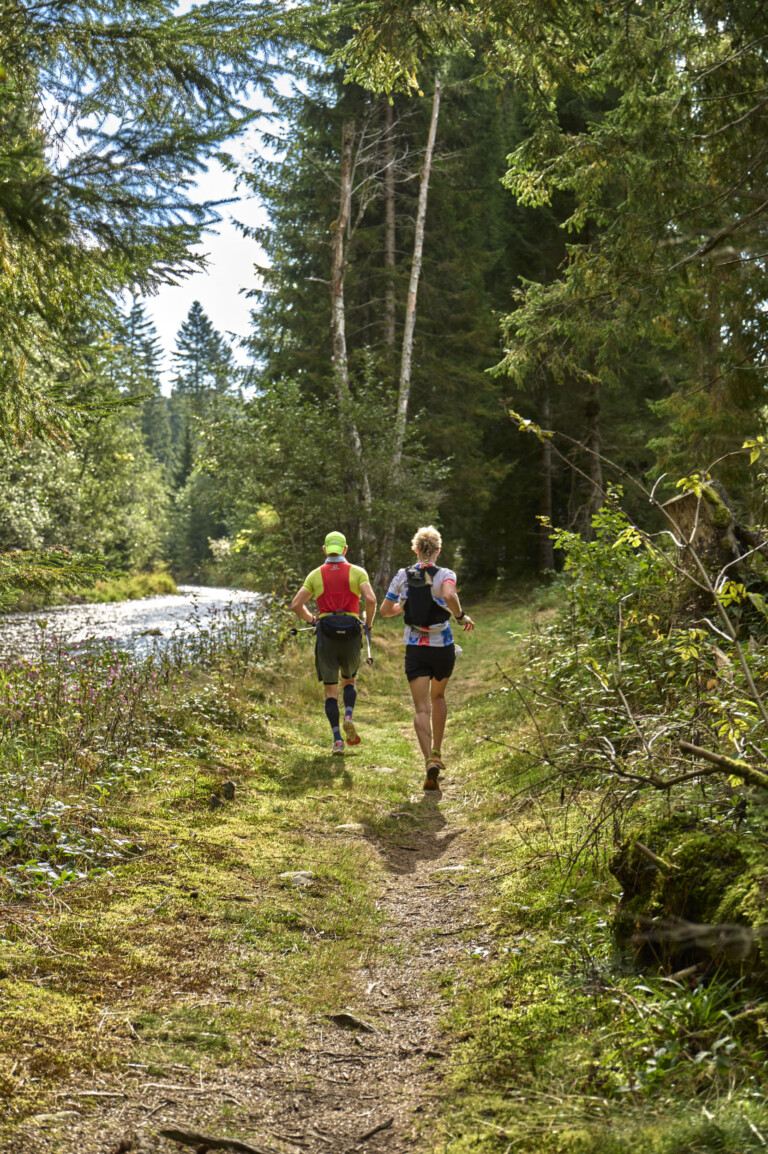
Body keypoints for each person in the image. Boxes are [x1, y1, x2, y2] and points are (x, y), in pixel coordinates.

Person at [380, 525, 474, 790]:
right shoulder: (446, 574)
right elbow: (449, 595)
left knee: (421, 708)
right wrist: (460, 617)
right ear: (438, 550)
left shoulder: (403, 575)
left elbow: (385, 611)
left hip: (415, 647)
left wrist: (405, 605)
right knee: (438, 697)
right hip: (442, 646)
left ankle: (428, 762)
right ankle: (437, 752)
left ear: (415, 549)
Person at [291, 531, 377, 754]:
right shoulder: (357, 572)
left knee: (330, 690)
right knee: (349, 681)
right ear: (345, 550)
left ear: (325, 550)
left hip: (326, 636)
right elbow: (371, 599)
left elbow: (296, 605)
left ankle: (338, 740)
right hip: (351, 634)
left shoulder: (315, 575)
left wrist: (312, 620)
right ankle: (348, 714)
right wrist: (368, 624)